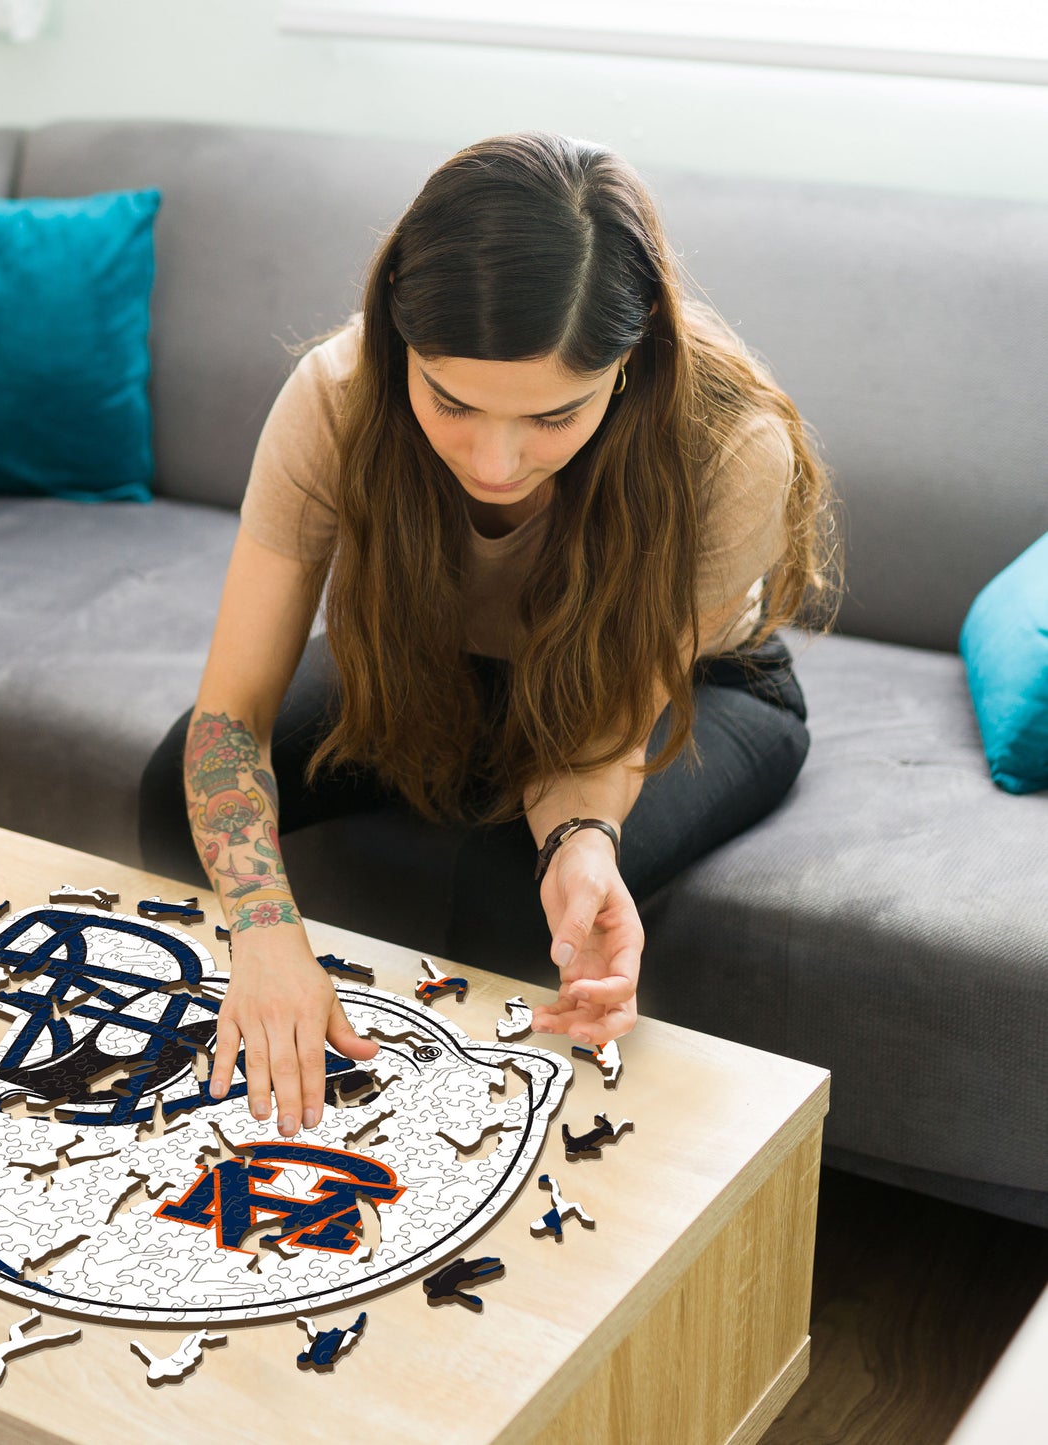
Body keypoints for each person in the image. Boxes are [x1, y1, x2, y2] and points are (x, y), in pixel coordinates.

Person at [138, 131, 836, 1142]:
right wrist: (262, 929)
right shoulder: (336, 395)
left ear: (632, 350)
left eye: (554, 415)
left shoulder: (728, 447)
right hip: (440, 665)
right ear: (396, 338)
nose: (495, 461)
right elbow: (227, 718)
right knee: (177, 786)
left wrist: (581, 844)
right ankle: (245, 1041)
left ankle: (455, 1158)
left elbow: (598, 729)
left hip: (703, 686)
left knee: (516, 886)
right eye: (450, 402)